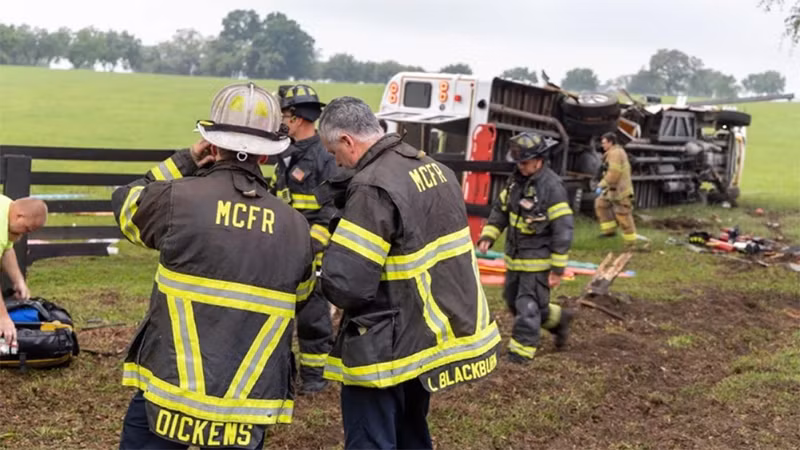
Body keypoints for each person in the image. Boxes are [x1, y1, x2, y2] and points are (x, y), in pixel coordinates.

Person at [111, 82, 315, 450]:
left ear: (213, 145)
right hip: (247, 400)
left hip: (170, 390)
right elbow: (301, 294)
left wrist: (186, 160)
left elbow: (125, 205)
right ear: (265, 157)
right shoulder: (296, 227)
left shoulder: (177, 200)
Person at [317, 97, 501, 450]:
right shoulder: (433, 168)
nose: (336, 162)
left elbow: (348, 285)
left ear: (347, 142)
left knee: (371, 438)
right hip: (424, 337)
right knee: (411, 431)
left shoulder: (372, 187)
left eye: (332, 151)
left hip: (384, 343)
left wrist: (323, 271)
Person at [477, 131, 574, 364]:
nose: (521, 167)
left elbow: (563, 228)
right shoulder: (515, 183)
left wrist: (558, 268)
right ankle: (560, 320)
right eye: (518, 162)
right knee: (514, 302)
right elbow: (501, 210)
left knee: (527, 307)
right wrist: (488, 236)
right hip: (514, 260)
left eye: (525, 162)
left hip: (537, 263)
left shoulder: (552, 187)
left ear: (539, 160)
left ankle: (519, 357)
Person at [271, 84, 339, 394]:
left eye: (284, 115)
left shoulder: (324, 156)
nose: (281, 121)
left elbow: (331, 208)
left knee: (313, 321)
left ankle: (314, 379)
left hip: (315, 255)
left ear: (297, 118)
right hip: (283, 252)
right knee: (279, 317)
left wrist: (312, 246)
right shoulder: (283, 153)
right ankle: (286, 375)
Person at [0, 196, 48, 351]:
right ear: (19, 216)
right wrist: (3, 318)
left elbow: (7, 248)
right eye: (27, 229)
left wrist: (18, 281)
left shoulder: (7, 207)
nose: (25, 234)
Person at [594, 131, 645, 250]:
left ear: (611, 143)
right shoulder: (613, 152)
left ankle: (630, 243)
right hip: (612, 189)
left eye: (604, 143)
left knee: (623, 215)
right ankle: (609, 231)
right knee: (601, 204)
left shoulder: (616, 154)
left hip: (620, 191)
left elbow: (614, 174)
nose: (603, 145)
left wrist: (601, 185)